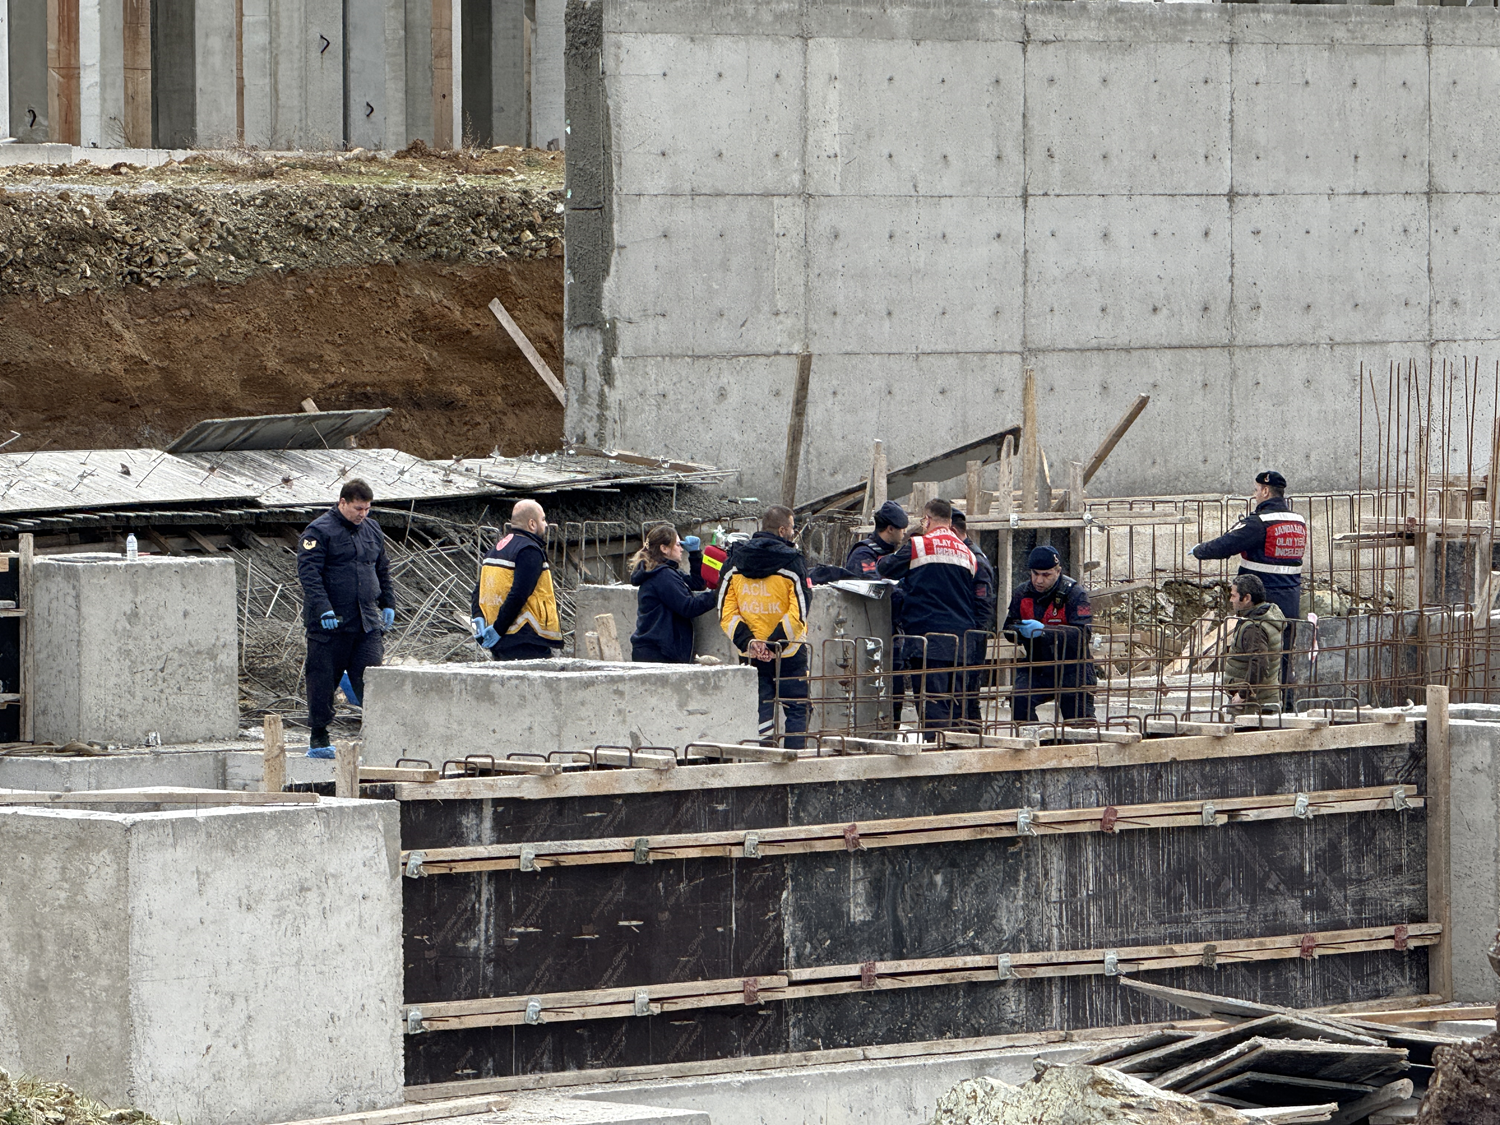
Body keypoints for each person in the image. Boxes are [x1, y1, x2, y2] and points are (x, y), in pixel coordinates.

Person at [296, 479, 396, 759]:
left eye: (367, 508)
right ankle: (319, 737)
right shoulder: (318, 531)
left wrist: (388, 602)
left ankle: (378, 736)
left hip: (366, 622)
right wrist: (322, 608)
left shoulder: (372, 529)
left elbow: (382, 567)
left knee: (372, 679)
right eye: (357, 508)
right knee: (322, 680)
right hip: (331, 625)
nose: (362, 514)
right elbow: (309, 574)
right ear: (342, 503)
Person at [877, 498, 977, 736]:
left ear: (928, 520)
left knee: (933, 706)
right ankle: (957, 756)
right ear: (950, 522)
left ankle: (936, 757)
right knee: (957, 706)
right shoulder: (968, 553)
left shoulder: (919, 545)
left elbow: (885, 568)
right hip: (961, 641)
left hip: (928, 640)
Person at [719, 506, 812, 747]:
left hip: (751, 654)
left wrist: (750, 642)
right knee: (798, 708)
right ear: (783, 530)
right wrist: (774, 644)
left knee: (760, 709)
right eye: (792, 528)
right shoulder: (792, 562)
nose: (793, 533)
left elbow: (725, 612)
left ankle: (765, 761)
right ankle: (793, 765)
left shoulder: (734, 563)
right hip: (789, 652)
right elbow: (800, 610)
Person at [1190, 471, 1305, 623]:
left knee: (1259, 642)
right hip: (1291, 596)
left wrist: (1199, 550)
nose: (1255, 495)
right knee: (1285, 640)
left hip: (1262, 600)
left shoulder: (1259, 522)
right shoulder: (1298, 521)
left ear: (1265, 491)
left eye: (1256, 490)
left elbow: (1225, 545)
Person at [1002, 544, 1095, 722]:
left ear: (1058, 571)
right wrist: (1019, 632)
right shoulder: (1022, 593)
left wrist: (1045, 632)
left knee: (1079, 723)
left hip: (1072, 668)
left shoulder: (1075, 594)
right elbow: (1008, 628)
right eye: (1035, 573)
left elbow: (1083, 634)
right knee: (1020, 699)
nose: (1039, 580)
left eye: (1046, 575)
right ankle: (1035, 743)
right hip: (1038, 667)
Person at [471, 499, 564, 661]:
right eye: (543, 519)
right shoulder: (529, 550)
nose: (546, 524)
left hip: (500, 641)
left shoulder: (495, 550)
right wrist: (499, 628)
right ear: (532, 524)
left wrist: (477, 615)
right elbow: (519, 594)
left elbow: (480, 589)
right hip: (525, 638)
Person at [629, 525, 716, 663]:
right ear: (664, 549)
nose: (681, 548)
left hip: (655, 651)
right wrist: (720, 593)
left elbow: (697, 584)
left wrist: (694, 554)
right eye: (677, 544)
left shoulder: (665, 571)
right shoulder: (662, 576)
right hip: (658, 653)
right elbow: (688, 607)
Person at [952, 510, 998, 730]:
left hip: (971, 637)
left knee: (968, 697)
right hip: (966, 635)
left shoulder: (974, 558)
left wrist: (973, 636)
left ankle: (973, 739)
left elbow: (983, 605)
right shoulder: (964, 554)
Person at [1221, 573, 1286, 714]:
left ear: (1247, 598)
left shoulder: (1253, 628)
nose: (1231, 600)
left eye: (1234, 595)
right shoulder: (1264, 618)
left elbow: (1260, 664)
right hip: (1262, 700)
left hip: (1254, 704)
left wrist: (1242, 695)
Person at [845, 501, 909, 577]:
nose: (904, 533)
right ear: (890, 529)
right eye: (902, 530)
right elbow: (871, 584)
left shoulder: (895, 551)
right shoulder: (863, 554)